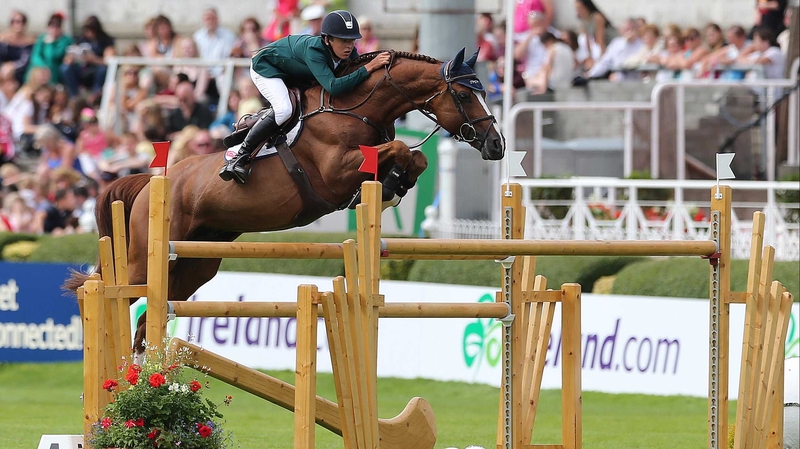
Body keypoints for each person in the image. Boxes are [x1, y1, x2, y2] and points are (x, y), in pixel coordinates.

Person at [219, 10, 391, 185]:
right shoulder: (315, 50)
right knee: (284, 109)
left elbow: (356, 77)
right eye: (343, 41)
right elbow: (334, 87)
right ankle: (239, 157)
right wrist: (368, 68)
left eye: (352, 40)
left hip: (294, 73)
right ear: (327, 39)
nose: (349, 46)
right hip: (267, 69)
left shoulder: (348, 52)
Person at [60, 16, 115, 97]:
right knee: (65, 68)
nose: (89, 33)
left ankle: (96, 94)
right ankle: (74, 95)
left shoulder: (106, 40)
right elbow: (68, 56)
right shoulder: (80, 38)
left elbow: (109, 60)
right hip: (82, 68)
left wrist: (94, 59)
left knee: (103, 70)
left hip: (96, 69)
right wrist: (71, 59)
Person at [27, 13, 73, 85]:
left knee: (50, 68)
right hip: (42, 67)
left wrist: (51, 43)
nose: (54, 29)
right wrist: (43, 66)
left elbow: (53, 56)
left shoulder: (66, 40)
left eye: (57, 26)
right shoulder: (42, 38)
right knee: (34, 71)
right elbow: (35, 55)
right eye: (52, 25)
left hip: (56, 69)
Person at [0, 11, 36, 84]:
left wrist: (12, 66)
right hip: (3, 72)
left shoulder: (29, 41)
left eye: (23, 22)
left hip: (20, 72)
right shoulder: (3, 39)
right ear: (11, 23)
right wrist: (4, 67)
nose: (20, 24)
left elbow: (25, 60)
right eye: (17, 21)